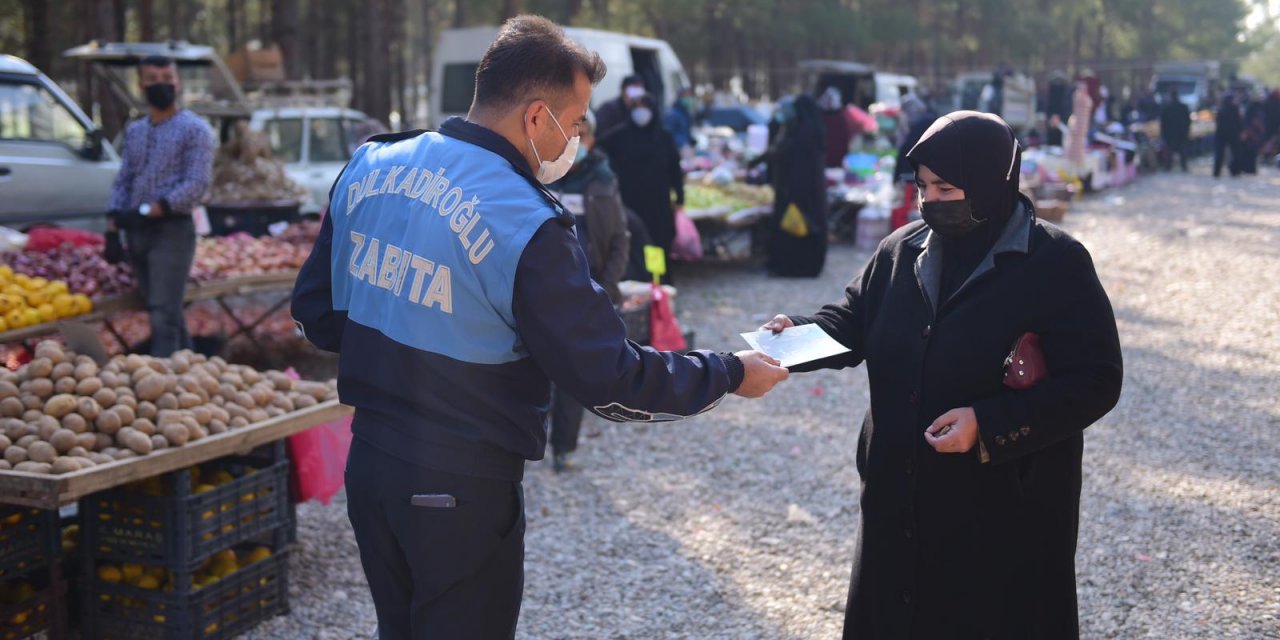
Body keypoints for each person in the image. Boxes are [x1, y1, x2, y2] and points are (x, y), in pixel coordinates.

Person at [291, 16, 789, 639]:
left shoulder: (372, 163)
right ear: (536, 117)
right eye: (574, 121)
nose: (577, 137)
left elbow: (316, 314)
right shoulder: (525, 219)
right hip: (461, 484)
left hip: (370, 466)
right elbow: (610, 379)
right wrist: (729, 374)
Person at [761, 111, 1123, 639]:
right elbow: (852, 321)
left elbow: (1096, 379)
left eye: (946, 188)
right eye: (922, 187)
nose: (930, 201)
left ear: (991, 181)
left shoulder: (1054, 263)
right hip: (899, 495)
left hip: (1001, 507)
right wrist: (793, 337)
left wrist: (989, 424)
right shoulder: (901, 250)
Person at [107, 55, 214, 357]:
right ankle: (193, 366)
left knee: (163, 311)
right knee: (164, 306)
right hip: (136, 232)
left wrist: (154, 209)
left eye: (167, 78)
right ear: (141, 84)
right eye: (153, 79)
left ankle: (161, 372)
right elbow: (125, 178)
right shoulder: (136, 131)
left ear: (178, 83)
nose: (161, 85)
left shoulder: (195, 130)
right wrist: (113, 222)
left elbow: (197, 184)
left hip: (172, 230)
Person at [546, 112, 630, 472]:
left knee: (571, 372)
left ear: (592, 140)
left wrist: (606, 287)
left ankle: (563, 449)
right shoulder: (544, 173)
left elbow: (619, 239)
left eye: (581, 135)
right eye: (569, 134)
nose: (574, 142)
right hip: (543, 286)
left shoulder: (603, 180)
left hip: (585, 289)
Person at [599, 92, 685, 279]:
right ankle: (635, 281)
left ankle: (657, 282)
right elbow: (598, 149)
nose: (641, 112)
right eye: (636, 107)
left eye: (645, 107)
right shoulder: (619, 137)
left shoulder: (663, 138)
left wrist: (680, 197)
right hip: (630, 203)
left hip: (658, 205)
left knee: (656, 245)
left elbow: (675, 170)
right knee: (630, 245)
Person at [754, 94, 828, 278]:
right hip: (810, 193)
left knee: (795, 227)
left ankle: (791, 266)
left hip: (796, 191)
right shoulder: (811, 130)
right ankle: (804, 265)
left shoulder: (801, 134)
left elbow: (791, 162)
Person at [594, 74, 646, 142]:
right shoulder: (609, 109)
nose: (635, 97)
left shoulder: (641, 111)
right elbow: (599, 134)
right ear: (623, 91)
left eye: (639, 92)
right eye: (633, 92)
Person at [819, 86, 855, 168]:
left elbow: (846, 137)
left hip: (836, 157)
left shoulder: (841, 118)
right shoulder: (820, 117)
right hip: (824, 157)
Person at [1159, 89, 1191, 172]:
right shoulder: (1183, 107)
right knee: (1182, 150)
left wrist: (1163, 133)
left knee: (1170, 150)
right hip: (1181, 132)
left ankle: (1168, 166)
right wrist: (1186, 131)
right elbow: (1188, 121)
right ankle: (1183, 166)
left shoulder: (1167, 108)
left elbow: (1163, 122)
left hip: (1170, 133)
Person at [1214, 93, 1243, 178]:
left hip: (1221, 134)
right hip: (1233, 134)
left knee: (1219, 154)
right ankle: (1235, 171)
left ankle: (1217, 172)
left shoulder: (1221, 109)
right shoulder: (1235, 109)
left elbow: (1218, 122)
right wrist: (1240, 131)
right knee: (1236, 153)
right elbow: (1239, 122)